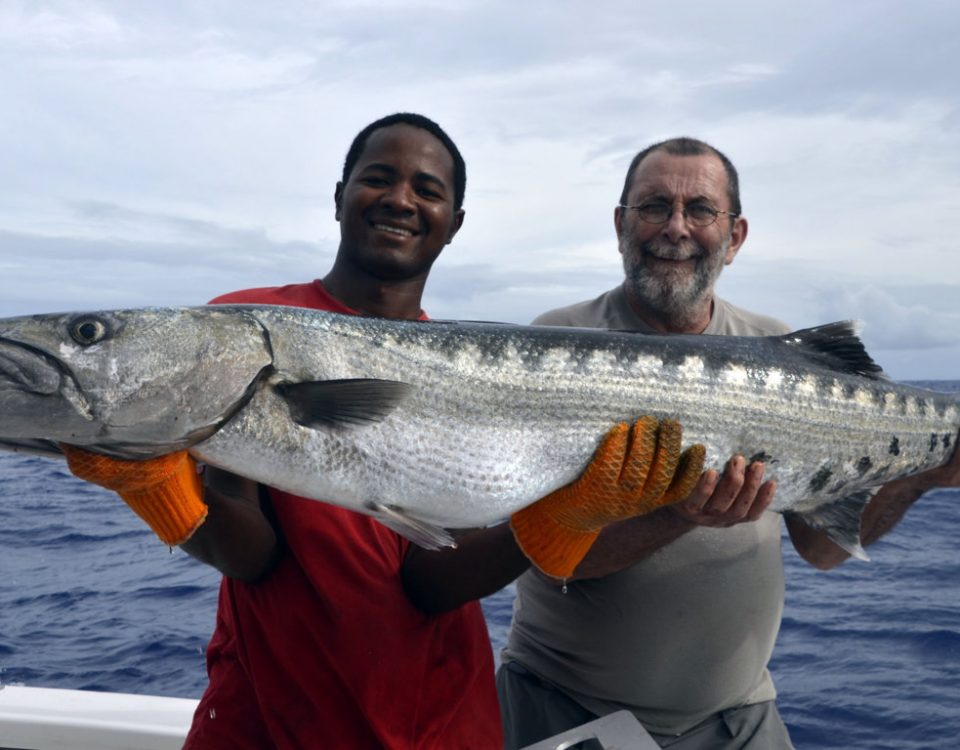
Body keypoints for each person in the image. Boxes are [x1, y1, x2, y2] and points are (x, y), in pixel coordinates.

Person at [58, 114, 717, 749]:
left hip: (439, 723)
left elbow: (428, 584)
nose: (401, 199)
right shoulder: (244, 328)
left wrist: (562, 516)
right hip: (261, 720)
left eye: (428, 189)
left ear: (453, 224)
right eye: (379, 177)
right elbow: (251, 556)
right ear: (340, 196)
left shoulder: (472, 368)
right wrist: (152, 485)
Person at [496, 136, 960, 750]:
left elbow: (822, 548)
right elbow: (553, 557)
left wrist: (922, 475)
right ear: (620, 225)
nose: (676, 229)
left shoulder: (778, 344)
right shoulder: (555, 342)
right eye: (654, 206)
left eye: (701, 211)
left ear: (735, 236)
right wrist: (678, 516)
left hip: (740, 718)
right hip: (566, 711)